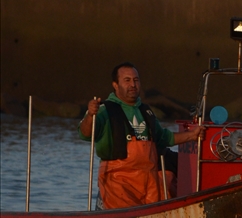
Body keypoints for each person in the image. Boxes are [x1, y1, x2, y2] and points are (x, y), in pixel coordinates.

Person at [79, 62, 202, 209]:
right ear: (115, 85)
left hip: (149, 180)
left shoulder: (145, 111)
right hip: (118, 181)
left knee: (165, 200)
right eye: (127, 80)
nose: (133, 84)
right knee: (127, 215)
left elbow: (164, 138)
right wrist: (90, 115)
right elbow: (85, 134)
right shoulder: (104, 110)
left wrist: (192, 135)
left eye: (136, 80)